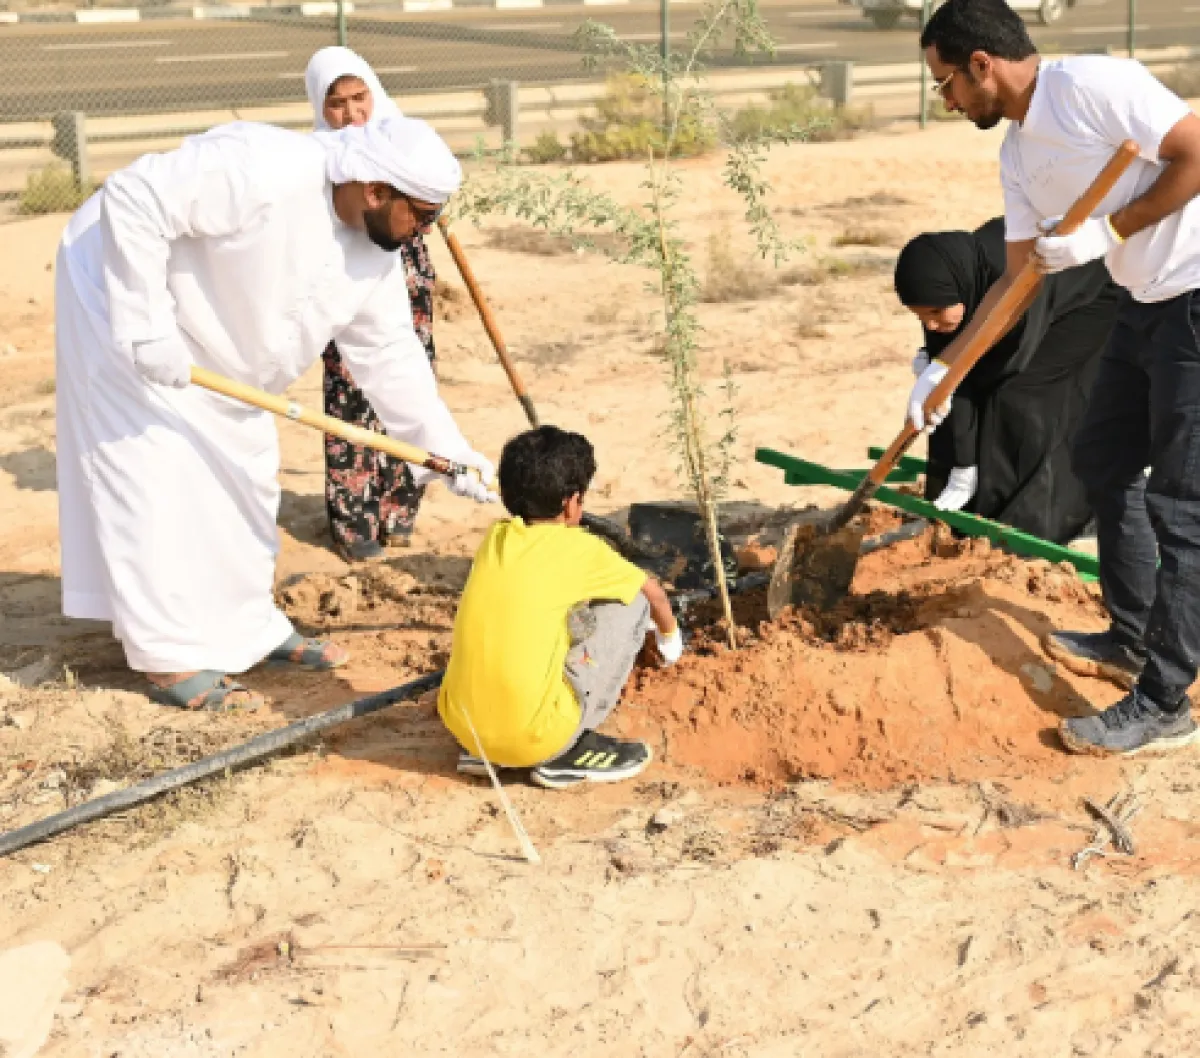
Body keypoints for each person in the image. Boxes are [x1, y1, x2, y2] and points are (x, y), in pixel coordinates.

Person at [55, 115, 497, 712]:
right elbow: (135, 196)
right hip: (120, 298)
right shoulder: (268, 167)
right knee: (153, 473)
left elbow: (392, 357)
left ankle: (246, 627)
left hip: (220, 350)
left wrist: (446, 454)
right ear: (375, 191)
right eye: (422, 214)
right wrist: (147, 325)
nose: (426, 230)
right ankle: (167, 657)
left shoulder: (376, 257)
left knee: (247, 470)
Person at [913, 0, 1200, 756]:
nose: (945, 100)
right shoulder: (1016, 155)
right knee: (1104, 460)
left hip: (1196, 297)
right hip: (1144, 305)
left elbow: (1197, 153)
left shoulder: (1095, 86)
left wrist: (1108, 231)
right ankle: (1136, 638)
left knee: (1183, 506)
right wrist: (941, 371)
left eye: (946, 82)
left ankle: (1165, 700)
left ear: (983, 64)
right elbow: (1014, 284)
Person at [438, 426, 683, 789]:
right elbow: (654, 596)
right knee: (632, 603)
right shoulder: (583, 550)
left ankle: (489, 751)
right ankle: (565, 752)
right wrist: (670, 641)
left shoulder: (496, 539)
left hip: (464, 726)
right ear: (571, 503)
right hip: (536, 739)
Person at [894, 216, 1119, 541]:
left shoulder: (1007, 283)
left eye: (934, 313)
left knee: (1021, 396)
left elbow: (995, 368)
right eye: (920, 316)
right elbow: (954, 383)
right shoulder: (951, 284)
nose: (929, 325)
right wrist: (960, 460)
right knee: (959, 385)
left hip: (1089, 299)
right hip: (1028, 301)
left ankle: (1036, 520)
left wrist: (948, 369)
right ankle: (959, 511)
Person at [305, 47, 440, 561]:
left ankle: (399, 510)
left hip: (406, 281)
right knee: (351, 393)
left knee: (409, 385)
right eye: (336, 102)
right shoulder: (315, 158)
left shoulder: (401, 140)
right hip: (345, 284)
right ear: (321, 105)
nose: (351, 113)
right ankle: (353, 521)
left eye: (359, 98)